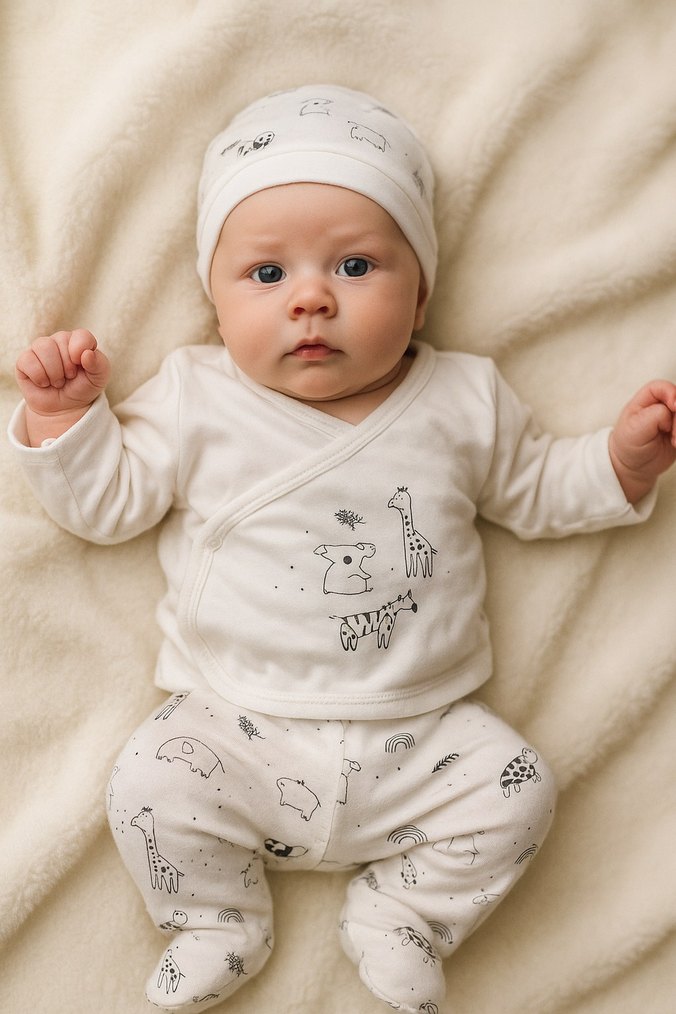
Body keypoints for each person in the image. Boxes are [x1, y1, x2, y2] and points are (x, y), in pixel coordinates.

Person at [9, 85, 676, 1014]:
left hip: (424, 735)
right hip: (233, 725)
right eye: (266, 274)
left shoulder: (465, 400)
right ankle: (215, 919)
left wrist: (622, 463)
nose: (312, 298)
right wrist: (64, 418)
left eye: (356, 266)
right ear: (213, 299)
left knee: (519, 789)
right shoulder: (197, 396)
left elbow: (535, 489)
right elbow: (107, 506)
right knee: (144, 781)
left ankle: (405, 913)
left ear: (422, 291)